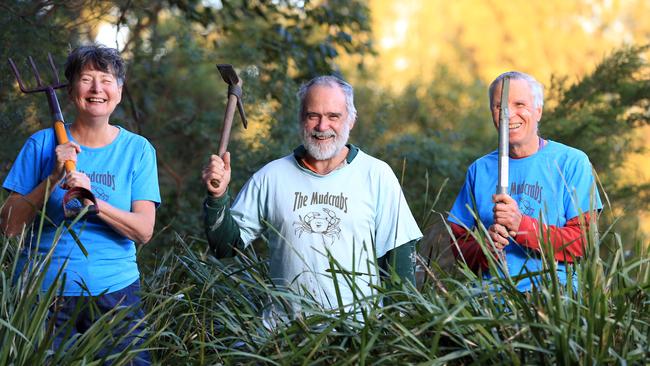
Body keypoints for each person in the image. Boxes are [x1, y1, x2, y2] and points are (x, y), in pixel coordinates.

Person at [202, 75, 422, 315]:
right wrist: (218, 196)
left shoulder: (377, 175)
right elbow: (226, 247)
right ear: (301, 119)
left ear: (351, 120)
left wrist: (397, 335)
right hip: (282, 341)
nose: (322, 126)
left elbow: (399, 263)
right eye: (313, 116)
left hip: (357, 340)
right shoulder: (271, 177)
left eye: (333, 116)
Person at [1, 44, 159, 364]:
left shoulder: (137, 149)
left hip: (115, 295)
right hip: (43, 296)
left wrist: (93, 201)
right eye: (87, 79)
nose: (97, 88)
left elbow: (143, 231)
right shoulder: (41, 144)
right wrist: (52, 178)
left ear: (119, 90)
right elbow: (8, 227)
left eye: (107, 79)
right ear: (71, 89)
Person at [447, 71, 602, 292]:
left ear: (538, 110)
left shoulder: (572, 163)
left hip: (556, 303)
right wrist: (485, 248)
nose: (508, 115)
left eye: (520, 104)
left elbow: (584, 243)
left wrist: (522, 226)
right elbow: (458, 246)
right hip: (490, 306)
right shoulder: (479, 170)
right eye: (500, 106)